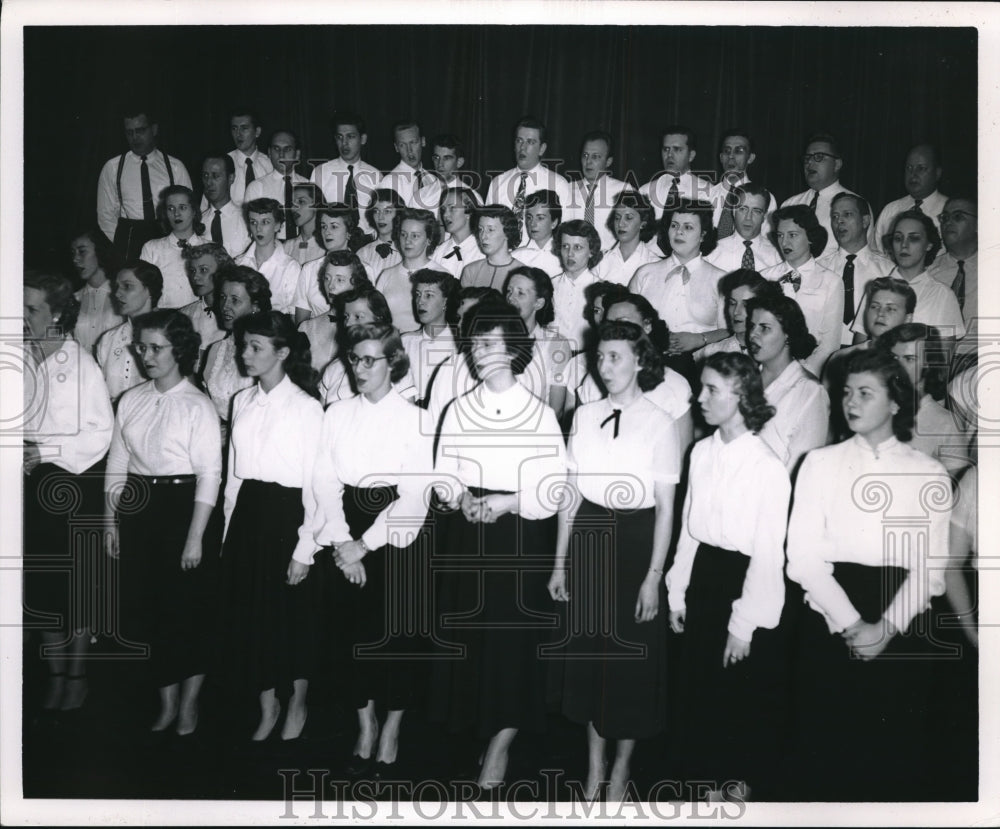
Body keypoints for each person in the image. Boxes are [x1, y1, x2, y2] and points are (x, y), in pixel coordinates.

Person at [786, 348, 949, 800]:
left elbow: (930, 569)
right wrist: (853, 623)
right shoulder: (819, 464)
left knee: (890, 760)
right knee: (822, 756)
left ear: (895, 402)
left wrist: (886, 629)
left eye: (864, 392)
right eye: (845, 393)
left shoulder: (928, 473)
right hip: (830, 615)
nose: (851, 402)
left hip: (901, 621)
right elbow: (802, 558)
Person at [430, 301, 567, 791]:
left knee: (511, 648)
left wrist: (508, 502)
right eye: (475, 344)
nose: (479, 353)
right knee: (471, 644)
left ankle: (501, 747)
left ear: (513, 349)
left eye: (489, 344)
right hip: (467, 535)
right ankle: (475, 732)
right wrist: (462, 495)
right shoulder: (459, 407)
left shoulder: (538, 414)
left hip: (517, 537)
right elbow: (443, 472)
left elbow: (554, 489)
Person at [549, 320, 678, 802]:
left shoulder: (660, 421)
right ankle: (594, 764)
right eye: (600, 356)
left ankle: (623, 764)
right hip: (589, 540)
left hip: (636, 542)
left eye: (615, 357)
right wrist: (560, 563)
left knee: (629, 666)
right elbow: (570, 493)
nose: (604, 366)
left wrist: (652, 578)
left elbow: (666, 508)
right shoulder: (584, 416)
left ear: (641, 361)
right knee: (589, 661)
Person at [666, 352, 790, 801]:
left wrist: (743, 624)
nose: (701, 398)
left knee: (733, 699)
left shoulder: (766, 466)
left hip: (742, 590)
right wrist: (676, 592)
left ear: (742, 395)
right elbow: (688, 530)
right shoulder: (701, 452)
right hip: (704, 579)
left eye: (712, 389)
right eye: (701, 387)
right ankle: (702, 790)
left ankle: (732, 791)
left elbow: (766, 554)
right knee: (697, 694)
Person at [314, 323, 432, 779]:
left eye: (370, 360)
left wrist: (365, 545)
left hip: (394, 535)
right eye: (354, 359)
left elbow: (416, 495)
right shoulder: (337, 413)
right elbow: (324, 478)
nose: (359, 368)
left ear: (393, 362)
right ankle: (364, 725)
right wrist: (344, 541)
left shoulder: (415, 418)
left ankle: (392, 728)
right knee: (351, 636)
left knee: (397, 639)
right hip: (346, 526)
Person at [104, 309, 222, 736]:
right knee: (148, 611)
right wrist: (110, 522)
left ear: (181, 350)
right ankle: (166, 703)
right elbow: (118, 461)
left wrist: (195, 538)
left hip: (184, 509)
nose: (146, 355)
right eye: (142, 347)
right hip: (140, 508)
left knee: (186, 613)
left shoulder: (198, 404)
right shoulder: (131, 399)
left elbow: (210, 473)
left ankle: (190, 705)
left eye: (156, 347)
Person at [220, 311, 323, 742]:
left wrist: (305, 549)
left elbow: (317, 486)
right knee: (250, 616)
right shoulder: (241, 402)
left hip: (288, 517)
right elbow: (234, 478)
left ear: (282, 353)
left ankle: (297, 700)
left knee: (290, 616)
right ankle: (267, 705)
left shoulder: (306, 407)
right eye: (244, 345)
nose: (245, 354)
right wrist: (227, 532)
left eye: (255, 347)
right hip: (249, 514)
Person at [23, 271, 114, 713]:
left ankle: (77, 680)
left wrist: (45, 451)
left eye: (32, 309)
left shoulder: (80, 365)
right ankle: (55, 678)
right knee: (37, 592)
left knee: (73, 593)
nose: (22, 317)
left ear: (57, 314)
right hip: (26, 488)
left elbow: (100, 433)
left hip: (69, 487)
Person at [628, 198, 728, 382]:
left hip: (701, 368)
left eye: (688, 227)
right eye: (674, 225)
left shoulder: (721, 280)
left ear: (703, 235)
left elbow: (731, 331)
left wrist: (700, 339)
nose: (679, 232)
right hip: (648, 364)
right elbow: (627, 324)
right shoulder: (645, 273)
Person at [745, 292, 829, 474]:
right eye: (752, 326)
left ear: (787, 335)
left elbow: (803, 468)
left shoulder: (810, 391)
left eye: (764, 328)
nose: (752, 335)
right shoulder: (744, 380)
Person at [825, 276, 915, 440]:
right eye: (874, 306)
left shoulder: (910, 365)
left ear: (908, 319)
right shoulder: (841, 358)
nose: (880, 314)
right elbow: (826, 417)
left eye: (891, 309)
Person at [97, 107, 192, 260]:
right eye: (130, 132)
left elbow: (188, 209)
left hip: (166, 236)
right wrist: (123, 242)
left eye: (140, 130)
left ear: (154, 130)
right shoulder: (113, 168)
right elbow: (105, 215)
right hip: (129, 241)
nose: (135, 137)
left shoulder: (175, 167)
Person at [876, 323, 970, 475]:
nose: (898, 367)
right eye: (894, 358)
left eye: (909, 359)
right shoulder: (872, 408)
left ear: (929, 362)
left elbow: (956, 486)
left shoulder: (946, 422)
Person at [761, 204, 843, 378]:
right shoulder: (765, 277)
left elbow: (830, 344)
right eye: (780, 235)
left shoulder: (831, 282)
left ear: (811, 237)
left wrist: (802, 373)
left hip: (808, 373)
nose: (784, 243)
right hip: (766, 370)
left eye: (792, 235)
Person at [817, 192, 895, 345]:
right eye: (835, 216)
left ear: (865, 221)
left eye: (847, 214)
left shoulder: (887, 270)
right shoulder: (819, 267)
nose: (839, 221)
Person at [780, 133, 872, 258]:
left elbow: (862, 255)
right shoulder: (790, 204)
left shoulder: (856, 205)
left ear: (837, 164)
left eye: (818, 157)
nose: (810, 163)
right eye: (807, 158)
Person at [202, 265, 273, 425]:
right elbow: (207, 409)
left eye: (235, 300)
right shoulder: (216, 350)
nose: (225, 306)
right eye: (222, 297)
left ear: (255, 307)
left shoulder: (268, 351)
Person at [880, 209, 965, 339]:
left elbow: (943, 356)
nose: (904, 245)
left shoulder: (943, 295)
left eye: (913, 238)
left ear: (929, 245)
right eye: (898, 238)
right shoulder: (877, 287)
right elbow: (859, 350)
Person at [486, 116, 572, 240]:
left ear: (542, 149)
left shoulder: (558, 184)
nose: (523, 147)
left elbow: (566, 230)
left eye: (530, 142)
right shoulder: (497, 183)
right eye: (519, 141)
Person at [503, 266, 573, 419]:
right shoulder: (492, 338)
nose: (510, 298)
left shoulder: (557, 344)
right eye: (509, 291)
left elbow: (556, 412)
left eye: (520, 293)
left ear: (539, 303)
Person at [95, 261, 163, 404]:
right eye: (117, 287)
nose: (117, 294)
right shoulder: (108, 339)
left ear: (149, 290)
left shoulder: (169, 336)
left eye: (127, 286)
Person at [298, 250, 372, 372]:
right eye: (327, 278)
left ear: (356, 283)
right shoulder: (307, 328)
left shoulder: (368, 327)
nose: (331, 286)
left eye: (340, 280)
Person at [292, 202, 366, 323]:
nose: (327, 232)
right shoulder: (309, 269)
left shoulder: (365, 269)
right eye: (323, 226)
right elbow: (301, 323)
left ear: (349, 232)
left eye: (334, 226)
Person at [375, 207, 445, 334]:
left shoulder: (442, 275)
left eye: (415, 236)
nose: (407, 240)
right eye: (403, 234)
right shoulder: (386, 275)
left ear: (429, 240)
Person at [311, 111, 382, 235]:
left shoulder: (375, 176)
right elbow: (312, 214)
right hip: (332, 242)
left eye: (350, 136)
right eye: (339, 137)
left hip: (366, 242)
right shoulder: (320, 172)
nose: (344, 143)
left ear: (363, 139)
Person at [139, 185, 207, 309]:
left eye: (182, 207)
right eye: (171, 208)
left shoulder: (209, 248)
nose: (176, 214)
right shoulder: (151, 248)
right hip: (163, 320)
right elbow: (144, 294)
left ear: (194, 211)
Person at [873, 144, 948, 255]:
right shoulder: (891, 210)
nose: (913, 174)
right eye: (909, 168)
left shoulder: (949, 210)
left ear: (937, 173)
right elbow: (876, 254)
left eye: (921, 168)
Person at [562, 131, 630, 252]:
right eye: (585, 155)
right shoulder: (566, 189)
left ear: (608, 161)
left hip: (610, 263)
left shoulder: (624, 190)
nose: (588, 162)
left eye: (596, 157)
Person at [401, 269, 460, 406]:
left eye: (429, 295)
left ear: (445, 301)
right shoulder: (404, 342)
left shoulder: (460, 344)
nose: (420, 302)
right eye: (417, 295)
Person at [707, 130, 778, 238]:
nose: (731, 156)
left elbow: (767, 242)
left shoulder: (764, 197)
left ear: (750, 158)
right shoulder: (707, 195)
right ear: (721, 157)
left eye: (738, 151)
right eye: (727, 151)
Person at [235, 198, 301, 315]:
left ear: (277, 225)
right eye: (253, 222)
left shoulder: (290, 268)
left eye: (265, 222)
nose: (258, 228)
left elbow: (292, 315)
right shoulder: (238, 263)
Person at [695, 269, 779, 361]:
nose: (736, 312)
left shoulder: (777, 353)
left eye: (746, 305)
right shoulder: (710, 353)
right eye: (732, 303)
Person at [638, 125, 713, 225]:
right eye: (666, 149)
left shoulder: (708, 192)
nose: (669, 155)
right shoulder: (645, 191)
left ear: (691, 155)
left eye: (677, 149)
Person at [244, 130, 309, 242]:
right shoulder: (257, 187)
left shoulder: (308, 185)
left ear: (297, 154)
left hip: (302, 248)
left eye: (287, 149)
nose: (281, 154)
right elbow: (251, 230)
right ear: (269, 153)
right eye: (276, 149)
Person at [551, 219, 605, 352]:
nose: (570, 254)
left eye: (577, 247)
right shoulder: (550, 285)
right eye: (565, 246)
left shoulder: (600, 289)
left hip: (585, 358)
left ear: (591, 251)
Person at [704, 183, 782, 274]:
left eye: (756, 211)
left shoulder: (778, 257)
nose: (748, 217)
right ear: (733, 211)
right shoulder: (712, 254)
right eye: (743, 209)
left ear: (764, 215)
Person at [928, 196, 978, 332]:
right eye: (945, 217)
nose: (948, 222)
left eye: (957, 217)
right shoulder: (929, 272)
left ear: (978, 225)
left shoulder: (993, 269)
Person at [70, 229, 122, 354]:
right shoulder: (73, 300)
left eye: (82, 252)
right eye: (73, 253)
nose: (75, 259)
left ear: (100, 251)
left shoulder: (123, 296)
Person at [593, 190, 661, 286]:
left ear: (643, 223)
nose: (620, 224)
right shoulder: (601, 260)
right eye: (617, 218)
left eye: (628, 218)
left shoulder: (654, 263)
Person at [178, 242, 231, 363]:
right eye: (192, 271)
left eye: (203, 270)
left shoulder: (234, 317)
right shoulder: (183, 316)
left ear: (222, 271)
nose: (195, 277)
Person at [459, 205, 526, 290]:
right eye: (480, 230)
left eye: (490, 230)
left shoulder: (522, 274)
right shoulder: (470, 271)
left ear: (507, 233)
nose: (483, 236)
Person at [381, 120, 442, 210]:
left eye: (413, 142)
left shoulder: (433, 180)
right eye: (402, 145)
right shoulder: (389, 182)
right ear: (396, 148)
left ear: (423, 141)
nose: (409, 150)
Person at [200, 153, 249, 259]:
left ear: (231, 178)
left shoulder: (246, 220)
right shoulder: (198, 222)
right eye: (205, 176)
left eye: (215, 176)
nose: (209, 182)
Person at [430, 186, 484, 277]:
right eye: (443, 210)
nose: (446, 215)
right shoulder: (439, 252)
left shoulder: (481, 252)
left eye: (452, 208)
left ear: (468, 212)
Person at [227, 108, 274, 208]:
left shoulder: (270, 165)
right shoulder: (224, 163)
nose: (238, 134)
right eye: (234, 128)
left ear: (257, 132)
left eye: (244, 128)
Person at [512, 190, 563, 278]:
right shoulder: (515, 257)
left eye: (540, 218)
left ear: (554, 223)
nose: (532, 224)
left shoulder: (564, 257)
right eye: (529, 217)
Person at [358, 188, 404, 279]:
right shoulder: (363, 253)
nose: (380, 217)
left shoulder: (408, 251)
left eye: (387, 211)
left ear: (398, 215)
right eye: (376, 211)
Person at [283, 183, 326, 266]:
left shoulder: (327, 245)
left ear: (316, 205)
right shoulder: (287, 247)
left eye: (301, 202)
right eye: (292, 204)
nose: (293, 208)